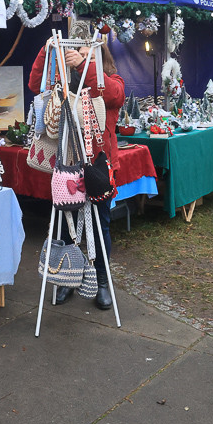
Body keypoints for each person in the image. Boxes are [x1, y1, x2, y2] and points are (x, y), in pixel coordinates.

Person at [28, 37, 125, 309]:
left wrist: (84, 64)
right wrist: (46, 51)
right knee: (65, 225)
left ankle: (102, 282)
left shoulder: (111, 81)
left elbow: (114, 95)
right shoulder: (66, 84)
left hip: (98, 168)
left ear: (100, 59)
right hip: (67, 165)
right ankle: (67, 279)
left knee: (101, 226)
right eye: (79, 55)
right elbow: (36, 85)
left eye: (89, 56)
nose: (82, 59)